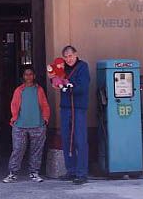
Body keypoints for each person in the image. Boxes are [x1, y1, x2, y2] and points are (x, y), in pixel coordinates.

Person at [2, 67, 50, 183]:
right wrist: (14, 119)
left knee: (36, 150)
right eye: (26, 74)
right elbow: (13, 105)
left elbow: (45, 105)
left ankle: (34, 172)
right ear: (23, 76)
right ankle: (13, 173)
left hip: (38, 124)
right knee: (18, 149)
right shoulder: (19, 90)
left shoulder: (39, 90)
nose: (28, 76)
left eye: (30, 74)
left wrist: (45, 119)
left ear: (34, 76)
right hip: (20, 125)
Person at [54, 45, 90, 185]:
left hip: (78, 108)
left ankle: (81, 173)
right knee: (66, 139)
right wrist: (57, 83)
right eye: (66, 57)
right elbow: (55, 80)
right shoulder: (61, 68)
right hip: (65, 108)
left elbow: (83, 86)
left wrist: (68, 86)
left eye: (70, 56)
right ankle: (71, 171)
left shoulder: (83, 67)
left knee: (80, 140)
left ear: (75, 55)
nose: (68, 59)